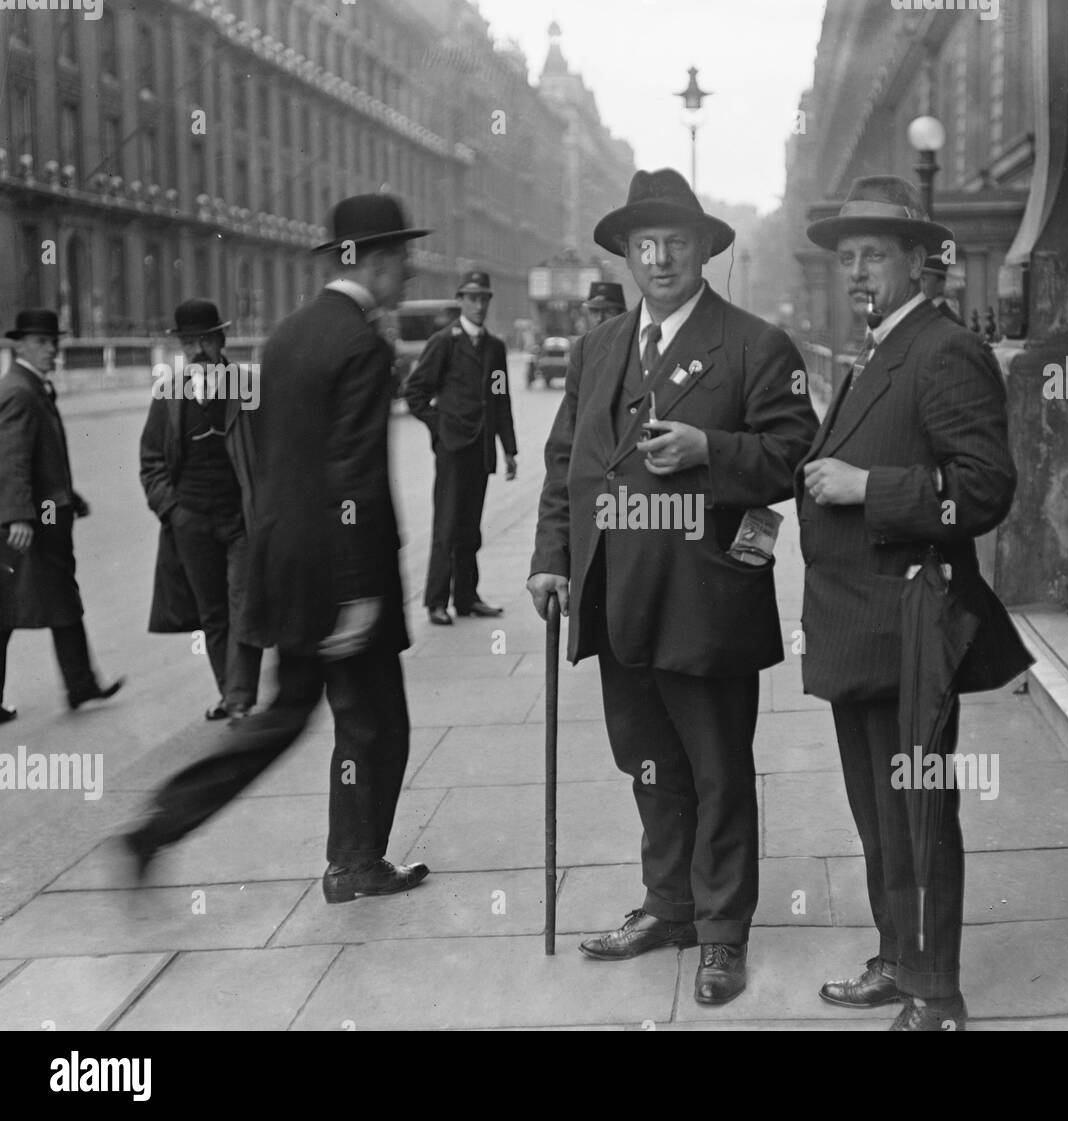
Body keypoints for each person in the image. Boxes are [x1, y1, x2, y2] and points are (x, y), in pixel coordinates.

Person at [528, 168, 819, 1006]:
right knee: (647, 760)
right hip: (619, 592)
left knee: (718, 767)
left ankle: (723, 933)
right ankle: (671, 905)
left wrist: (710, 451)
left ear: (702, 250)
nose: (659, 258)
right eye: (643, 244)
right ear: (625, 254)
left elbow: (793, 452)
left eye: (676, 242)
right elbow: (564, 467)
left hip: (707, 594)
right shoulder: (598, 349)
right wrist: (552, 557)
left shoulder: (754, 345)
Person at [123, 194, 432, 905]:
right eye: (402, 260)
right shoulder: (363, 344)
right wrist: (357, 593)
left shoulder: (286, 337)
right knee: (374, 722)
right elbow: (352, 474)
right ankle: (353, 862)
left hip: (285, 564)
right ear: (375, 262)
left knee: (287, 716)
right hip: (342, 575)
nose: (409, 273)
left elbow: (271, 460)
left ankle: (161, 823)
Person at [800, 176, 1030, 1030]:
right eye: (848, 258)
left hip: (913, 621)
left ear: (917, 264)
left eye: (874, 257)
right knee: (878, 812)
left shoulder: (943, 350)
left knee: (919, 811)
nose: (857, 272)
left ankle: (938, 994)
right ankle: (899, 958)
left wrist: (871, 487)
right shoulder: (879, 350)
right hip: (862, 627)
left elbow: (986, 488)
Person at [140, 299, 262, 721]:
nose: (197, 351)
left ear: (221, 339)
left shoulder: (247, 387)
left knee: (243, 605)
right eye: (188, 342)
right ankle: (231, 694)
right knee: (212, 614)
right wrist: (172, 510)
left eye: (205, 340)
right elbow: (151, 460)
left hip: (240, 519)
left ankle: (241, 696)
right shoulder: (169, 394)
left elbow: (270, 452)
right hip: (191, 520)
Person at [0, 309, 124, 720]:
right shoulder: (20, 391)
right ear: (18, 344)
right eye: (41, 342)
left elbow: (41, 458)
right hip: (29, 524)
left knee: (54, 600)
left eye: (53, 341)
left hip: (44, 516)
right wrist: (17, 515)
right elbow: (13, 459)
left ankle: (81, 685)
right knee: (14, 608)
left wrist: (69, 494)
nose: (51, 349)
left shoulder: (32, 386)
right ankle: (80, 684)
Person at [402, 270, 517, 626]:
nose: (479, 304)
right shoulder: (445, 342)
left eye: (484, 298)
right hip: (453, 449)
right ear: (461, 301)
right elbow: (415, 392)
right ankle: (436, 600)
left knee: (470, 527)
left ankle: (466, 597)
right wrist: (441, 428)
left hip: (480, 449)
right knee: (447, 526)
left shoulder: (495, 348)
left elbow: (500, 399)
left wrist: (509, 449)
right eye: (473, 298)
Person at [919, 254, 965, 326]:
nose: (921, 286)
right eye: (921, 280)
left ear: (941, 284)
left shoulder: (949, 318)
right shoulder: (925, 312)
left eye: (924, 279)